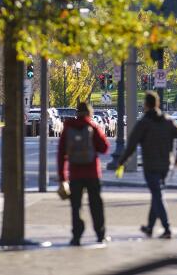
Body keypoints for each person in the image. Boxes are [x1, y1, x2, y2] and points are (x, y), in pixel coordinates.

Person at [116, 91, 177, 239]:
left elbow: (131, 145)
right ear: (158, 103)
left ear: (146, 105)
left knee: (157, 194)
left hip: (150, 165)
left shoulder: (144, 123)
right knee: (157, 193)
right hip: (166, 165)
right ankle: (150, 227)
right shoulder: (168, 121)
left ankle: (167, 228)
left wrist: (122, 161)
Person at [57, 99, 111, 245]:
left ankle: (76, 236)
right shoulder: (92, 126)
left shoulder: (68, 128)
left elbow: (61, 154)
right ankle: (100, 234)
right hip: (92, 172)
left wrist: (62, 177)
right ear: (89, 113)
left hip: (75, 173)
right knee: (96, 205)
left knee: (76, 206)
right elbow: (105, 147)